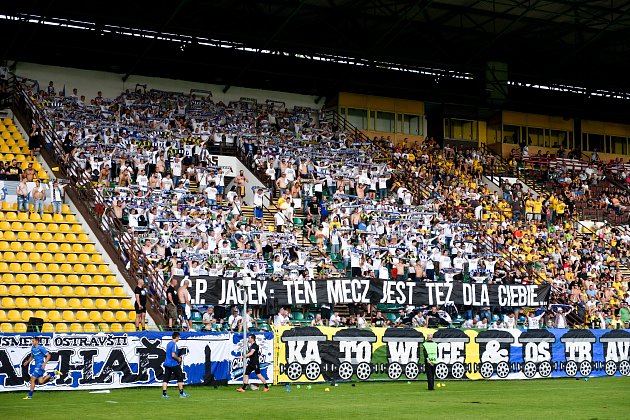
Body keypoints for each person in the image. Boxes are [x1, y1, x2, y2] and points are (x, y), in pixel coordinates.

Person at [162, 332, 190, 398]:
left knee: (166, 379)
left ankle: (164, 394)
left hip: (167, 363)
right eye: (179, 337)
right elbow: (173, 355)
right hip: (173, 364)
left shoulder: (168, 344)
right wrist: (178, 359)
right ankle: (181, 393)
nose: (179, 339)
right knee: (180, 377)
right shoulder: (174, 344)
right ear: (177, 337)